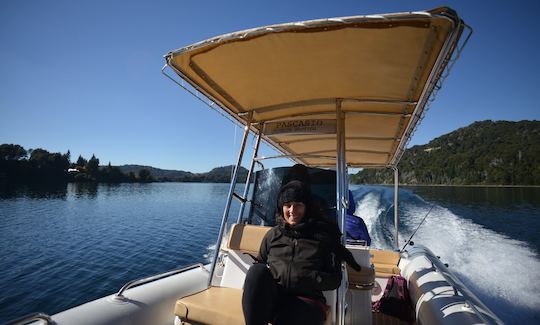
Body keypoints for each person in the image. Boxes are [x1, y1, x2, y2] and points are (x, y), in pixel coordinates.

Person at [242, 180, 361, 325]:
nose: (292, 210)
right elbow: (261, 264)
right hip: (276, 297)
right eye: (287, 205)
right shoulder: (273, 235)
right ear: (281, 208)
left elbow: (335, 280)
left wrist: (309, 277)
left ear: (307, 207)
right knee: (256, 271)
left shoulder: (324, 237)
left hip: (307, 302)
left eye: (298, 205)